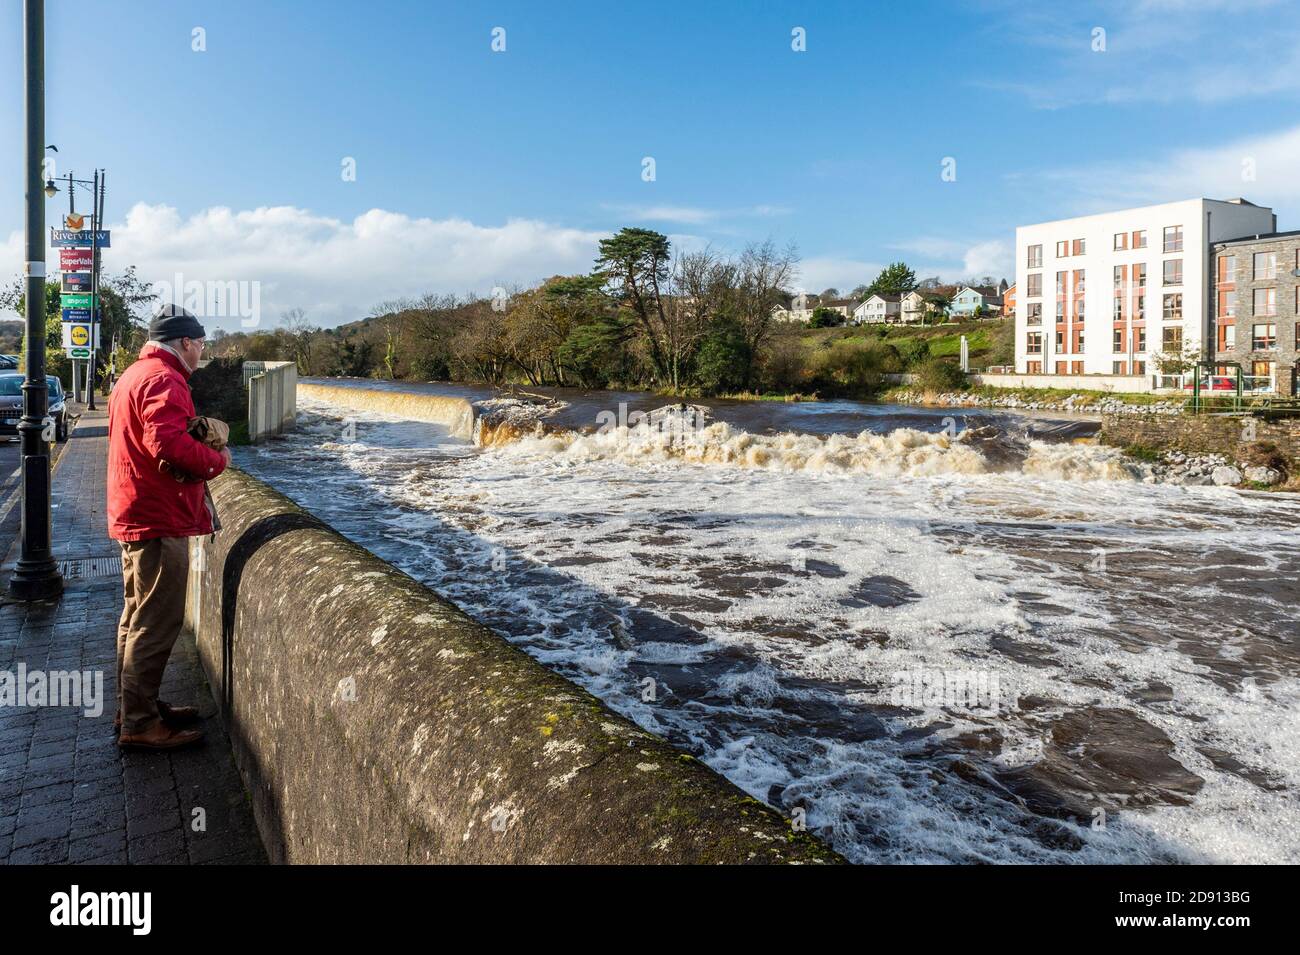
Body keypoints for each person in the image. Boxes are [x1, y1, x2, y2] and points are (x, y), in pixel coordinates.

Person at [107, 305, 231, 750]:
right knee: (157, 621)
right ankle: (139, 724)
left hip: (135, 510)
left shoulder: (134, 374)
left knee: (135, 616)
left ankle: (137, 706)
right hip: (158, 515)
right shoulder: (164, 379)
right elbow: (167, 442)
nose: (201, 352)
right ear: (184, 343)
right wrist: (216, 461)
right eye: (199, 344)